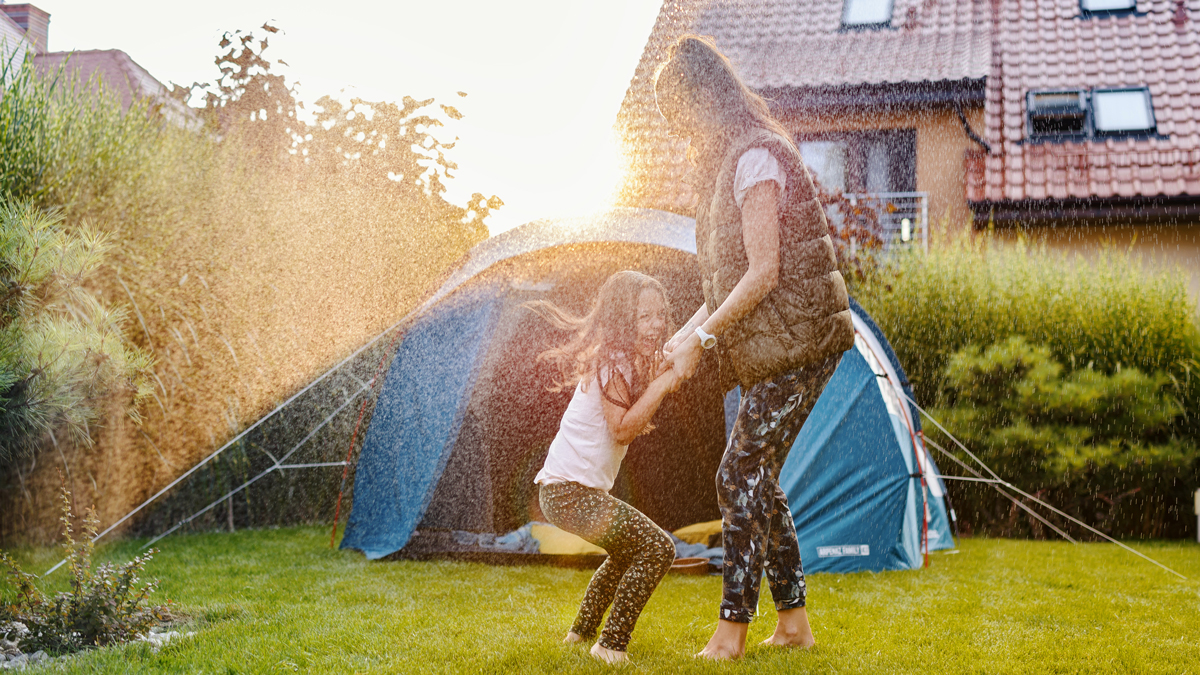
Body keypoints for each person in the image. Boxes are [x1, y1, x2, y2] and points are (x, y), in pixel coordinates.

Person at [653, 35, 856, 660]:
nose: (677, 126)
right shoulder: (726, 166)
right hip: (779, 342)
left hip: (803, 339)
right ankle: (794, 625)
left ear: (701, 100)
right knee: (758, 478)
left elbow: (764, 272)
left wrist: (704, 340)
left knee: (739, 472)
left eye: (678, 111)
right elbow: (724, 285)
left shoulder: (756, 160)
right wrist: (682, 338)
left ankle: (731, 633)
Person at [529, 270, 683, 665]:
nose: (656, 324)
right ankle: (610, 645)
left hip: (564, 492)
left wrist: (671, 365)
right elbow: (621, 429)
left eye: (660, 315)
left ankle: (579, 636)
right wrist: (663, 384)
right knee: (656, 547)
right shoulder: (613, 364)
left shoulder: (626, 361)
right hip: (567, 492)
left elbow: (671, 360)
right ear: (621, 319)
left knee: (626, 552)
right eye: (644, 317)